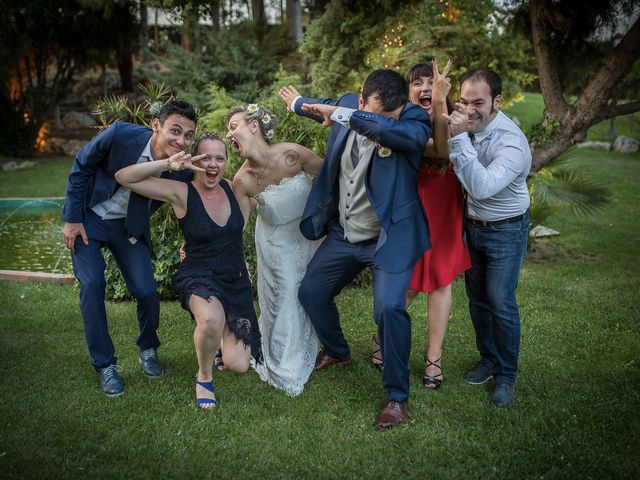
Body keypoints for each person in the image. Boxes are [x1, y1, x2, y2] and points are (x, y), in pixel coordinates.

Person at [278, 68, 432, 428]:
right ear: (360, 100)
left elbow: (386, 131)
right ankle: (338, 351)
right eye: (372, 113)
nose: (381, 124)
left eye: (388, 118)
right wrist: (300, 103)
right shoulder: (348, 104)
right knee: (312, 293)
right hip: (344, 236)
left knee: (390, 310)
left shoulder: (412, 120)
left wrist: (357, 118)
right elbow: (326, 107)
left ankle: (396, 397)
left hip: (388, 239)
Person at [115, 132, 262, 409]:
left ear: (227, 162)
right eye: (205, 157)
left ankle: (219, 345)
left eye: (219, 158)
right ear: (194, 159)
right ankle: (204, 377)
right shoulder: (181, 191)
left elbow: (266, 196)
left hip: (235, 280)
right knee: (208, 318)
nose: (212, 165)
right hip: (198, 275)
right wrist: (169, 164)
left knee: (238, 364)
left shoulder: (235, 189)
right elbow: (124, 177)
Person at [62, 100, 197, 397]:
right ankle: (105, 365)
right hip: (89, 217)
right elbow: (82, 166)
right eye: (175, 131)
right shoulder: (120, 134)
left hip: (128, 228)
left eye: (188, 136)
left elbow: (191, 202)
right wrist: (72, 218)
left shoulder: (182, 168)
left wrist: (193, 238)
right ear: (156, 125)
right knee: (92, 283)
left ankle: (148, 348)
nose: (181, 141)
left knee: (147, 291)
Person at [370, 60, 471, 390]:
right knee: (409, 279)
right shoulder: (403, 121)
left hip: (444, 203)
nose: (426, 87)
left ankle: (434, 360)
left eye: (432, 82)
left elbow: (447, 153)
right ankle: (383, 337)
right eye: (417, 83)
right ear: (407, 90)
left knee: (441, 279)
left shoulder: (455, 118)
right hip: (411, 204)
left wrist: (443, 106)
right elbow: (430, 148)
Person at [443, 68, 531, 407]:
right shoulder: (468, 127)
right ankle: (489, 359)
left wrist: (458, 137)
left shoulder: (511, 142)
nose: (467, 110)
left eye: (478, 102)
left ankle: (507, 375)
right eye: (463, 102)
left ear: (497, 102)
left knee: (500, 300)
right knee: (477, 298)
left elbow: (480, 186)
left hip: (507, 229)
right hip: (472, 226)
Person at [225, 103, 323, 396]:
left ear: (254, 126)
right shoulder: (242, 181)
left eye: (233, 127)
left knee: (313, 292)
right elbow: (236, 228)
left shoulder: (292, 153)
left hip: (310, 237)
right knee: (287, 295)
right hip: (275, 242)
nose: (229, 135)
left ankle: (321, 344)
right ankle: (283, 363)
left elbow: (334, 178)